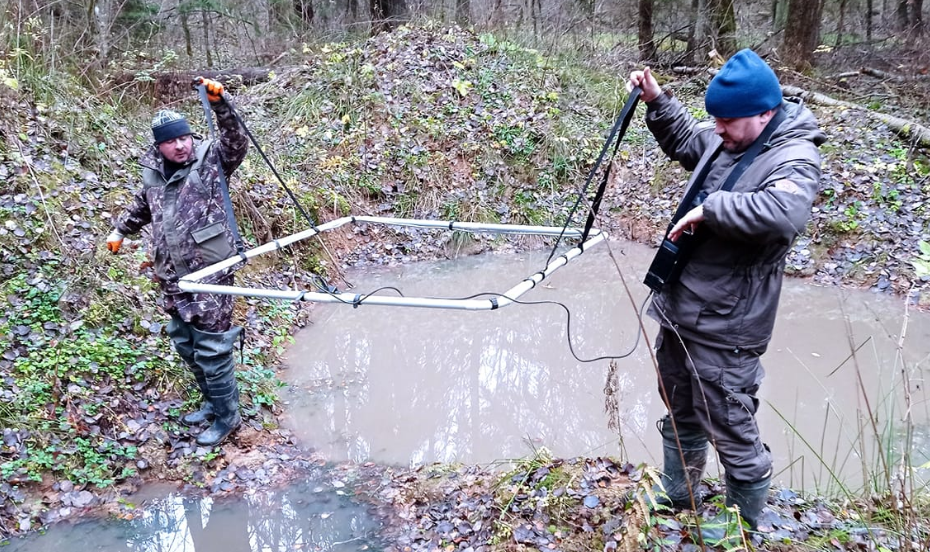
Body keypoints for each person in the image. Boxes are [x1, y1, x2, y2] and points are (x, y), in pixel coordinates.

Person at [629, 49, 827, 533]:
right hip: (682, 305)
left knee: (730, 418)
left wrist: (711, 209)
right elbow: (688, 139)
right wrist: (658, 101)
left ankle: (742, 523)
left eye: (727, 121)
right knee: (677, 398)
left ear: (764, 112)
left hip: (727, 321)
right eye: (715, 119)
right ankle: (680, 491)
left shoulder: (794, 157)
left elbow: (785, 213)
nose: (718, 129)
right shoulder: (730, 138)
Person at [106, 77, 250, 446]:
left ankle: (227, 417)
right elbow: (144, 204)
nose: (181, 145)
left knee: (213, 347)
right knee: (185, 341)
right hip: (171, 273)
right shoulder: (153, 170)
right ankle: (211, 402)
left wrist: (221, 103)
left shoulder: (210, 161)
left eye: (184, 137)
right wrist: (120, 230)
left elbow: (236, 140)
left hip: (210, 272)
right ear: (159, 145)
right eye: (171, 141)